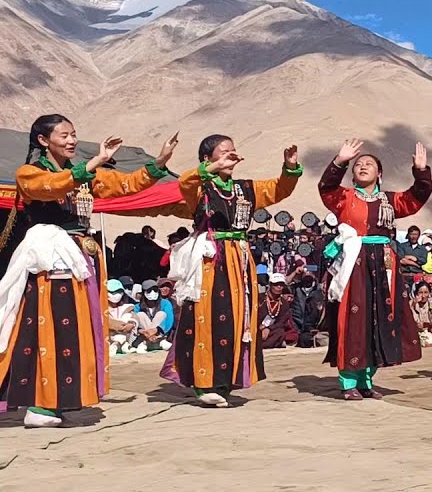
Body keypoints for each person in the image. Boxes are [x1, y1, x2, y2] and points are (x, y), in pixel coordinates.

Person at [0, 115, 175, 427]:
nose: (72, 141)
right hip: (50, 256)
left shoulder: (84, 175)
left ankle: (60, 400)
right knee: (50, 325)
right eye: (64, 135)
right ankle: (40, 404)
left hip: (79, 256)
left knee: (76, 327)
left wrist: (158, 164)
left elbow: (124, 184)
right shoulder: (30, 173)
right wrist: (90, 165)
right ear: (43, 140)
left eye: (74, 134)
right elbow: (49, 187)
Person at [167, 135, 301, 407]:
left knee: (237, 319)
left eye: (233, 151)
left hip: (239, 259)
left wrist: (289, 168)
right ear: (207, 159)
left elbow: (278, 189)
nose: (231, 155)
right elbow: (185, 182)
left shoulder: (245, 189)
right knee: (207, 317)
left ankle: (226, 380)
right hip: (210, 258)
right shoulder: (200, 188)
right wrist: (210, 170)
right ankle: (203, 383)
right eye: (223, 152)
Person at [319, 139, 432, 399]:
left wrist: (421, 171)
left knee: (378, 319)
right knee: (353, 318)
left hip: (384, 264)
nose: (363, 166)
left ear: (379, 173)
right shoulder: (344, 197)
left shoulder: (391, 201)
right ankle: (348, 382)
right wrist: (339, 162)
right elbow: (326, 187)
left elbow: (417, 197)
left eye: (369, 164)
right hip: (354, 263)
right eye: (358, 164)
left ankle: (366, 380)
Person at [258, 273, 297, 349]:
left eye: (281, 285)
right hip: (258, 328)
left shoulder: (284, 303)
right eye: (276, 285)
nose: (279, 287)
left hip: (272, 330)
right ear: (270, 285)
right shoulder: (260, 298)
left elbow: (282, 321)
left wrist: (269, 328)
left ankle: (263, 345)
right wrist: (261, 328)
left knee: (280, 333)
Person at [133, 279, 174, 351]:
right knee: (140, 315)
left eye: (155, 290)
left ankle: (154, 341)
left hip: (160, 334)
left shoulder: (165, 303)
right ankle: (151, 341)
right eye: (149, 291)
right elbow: (135, 323)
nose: (153, 293)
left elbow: (169, 319)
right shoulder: (137, 307)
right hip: (144, 335)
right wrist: (142, 331)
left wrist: (156, 330)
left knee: (161, 314)